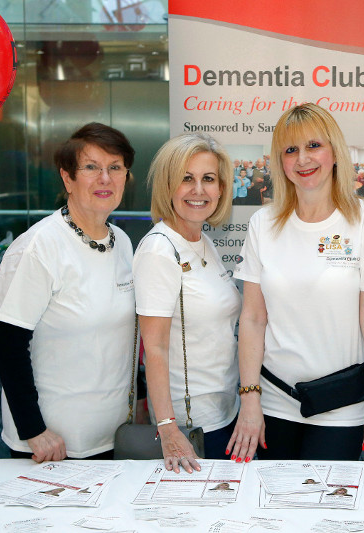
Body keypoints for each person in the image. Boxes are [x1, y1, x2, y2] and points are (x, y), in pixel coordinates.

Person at [227, 103, 364, 464]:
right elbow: (253, 318)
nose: (303, 159)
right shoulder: (263, 224)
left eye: (313, 146)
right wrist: (249, 398)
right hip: (273, 405)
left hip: (342, 408)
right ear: (280, 161)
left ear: (335, 152)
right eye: (291, 150)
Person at [0, 123, 136, 461]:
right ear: (67, 178)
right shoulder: (38, 247)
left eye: (115, 167)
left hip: (114, 436)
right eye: (91, 167)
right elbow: (9, 345)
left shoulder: (122, 242)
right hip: (53, 445)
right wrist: (33, 430)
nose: (105, 179)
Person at [133, 133, 241, 473]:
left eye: (208, 179)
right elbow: (154, 348)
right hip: (189, 428)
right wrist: (168, 429)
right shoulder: (159, 250)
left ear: (221, 188)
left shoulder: (203, 240)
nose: (198, 190)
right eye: (186, 178)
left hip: (225, 413)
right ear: (168, 186)